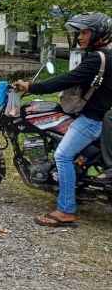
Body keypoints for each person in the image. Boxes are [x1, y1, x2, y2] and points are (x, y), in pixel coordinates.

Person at [13, 12, 112, 226]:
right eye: (79, 32)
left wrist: (32, 86)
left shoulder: (98, 58)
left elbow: (67, 79)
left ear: (98, 33)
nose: (80, 37)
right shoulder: (105, 54)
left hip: (91, 120)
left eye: (85, 32)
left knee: (62, 155)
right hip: (98, 116)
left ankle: (65, 210)